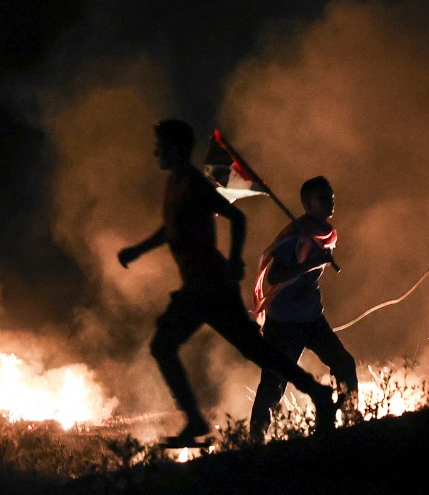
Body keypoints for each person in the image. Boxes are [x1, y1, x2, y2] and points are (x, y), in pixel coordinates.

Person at [117, 119, 339, 445]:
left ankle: (195, 420)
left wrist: (235, 260)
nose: (156, 153)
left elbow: (237, 216)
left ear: (175, 149)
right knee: (254, 350)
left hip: (211, 286)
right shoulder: (175, 184)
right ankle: (317, 392)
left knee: (169, 346)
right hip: (198, 286)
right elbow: (170, 228)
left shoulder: (193, 184)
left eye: (160, 146)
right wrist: (138, 250)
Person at [248, 176, 359, 444]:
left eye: (331, 196)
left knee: (344, 363)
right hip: (284, 322)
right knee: (274, 382)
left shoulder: (326, 234)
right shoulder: (295, 236)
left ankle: (353, 421)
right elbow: (274, 276)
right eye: (323, 197)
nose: (330, 201)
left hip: (311, 317)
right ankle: (255, 441)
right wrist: (310, 264)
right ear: (308, 203)